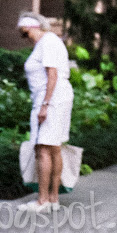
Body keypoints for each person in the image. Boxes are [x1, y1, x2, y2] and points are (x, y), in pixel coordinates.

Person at [17, 12, 74, 213]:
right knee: (54, 148)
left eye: (25, 33)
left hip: (52, 98)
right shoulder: (48, 42)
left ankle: (43, 201)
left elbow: (52, 74)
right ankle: (52, 200)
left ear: (34, 27)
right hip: (55, 97)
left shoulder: (48, 42)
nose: (25, 38)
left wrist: (45, 105)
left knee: (43, 148)